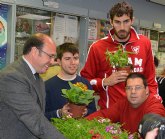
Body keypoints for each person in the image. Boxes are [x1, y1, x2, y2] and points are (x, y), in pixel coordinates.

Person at [80, 1, 159, 109]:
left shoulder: (144, 43)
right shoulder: (97, 47)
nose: (122, 27)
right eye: (117, 22)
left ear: (132, 20)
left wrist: (153, 106)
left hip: (139, 111)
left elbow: (151, 81)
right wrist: (105, 81)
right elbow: (84, 82)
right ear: (111, 22)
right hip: (110, 114)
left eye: (126, 21)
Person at [0, 33, 65, 139]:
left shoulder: (36, 75)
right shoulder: (12, 77)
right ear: (35, 51)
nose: (52, 61)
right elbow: (35, 119)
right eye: (50, 56)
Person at [86, 73, 165, 134]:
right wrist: (80, 123)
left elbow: (153, 129)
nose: (133, 92)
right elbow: (104, 115)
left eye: (138, 88)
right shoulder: (123, 103)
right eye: (129, 88)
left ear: (147, 90)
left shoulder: (154, 106)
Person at [45, 43, 96, 120]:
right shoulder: (47, 86)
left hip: (80, 129)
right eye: (67, 59)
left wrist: (86, 112)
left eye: (75, 58)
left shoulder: (85, 84)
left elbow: (94, 112)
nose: (73, 62)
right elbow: (41, 116)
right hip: (55, 130)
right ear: (59, 61)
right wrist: (59, 113)